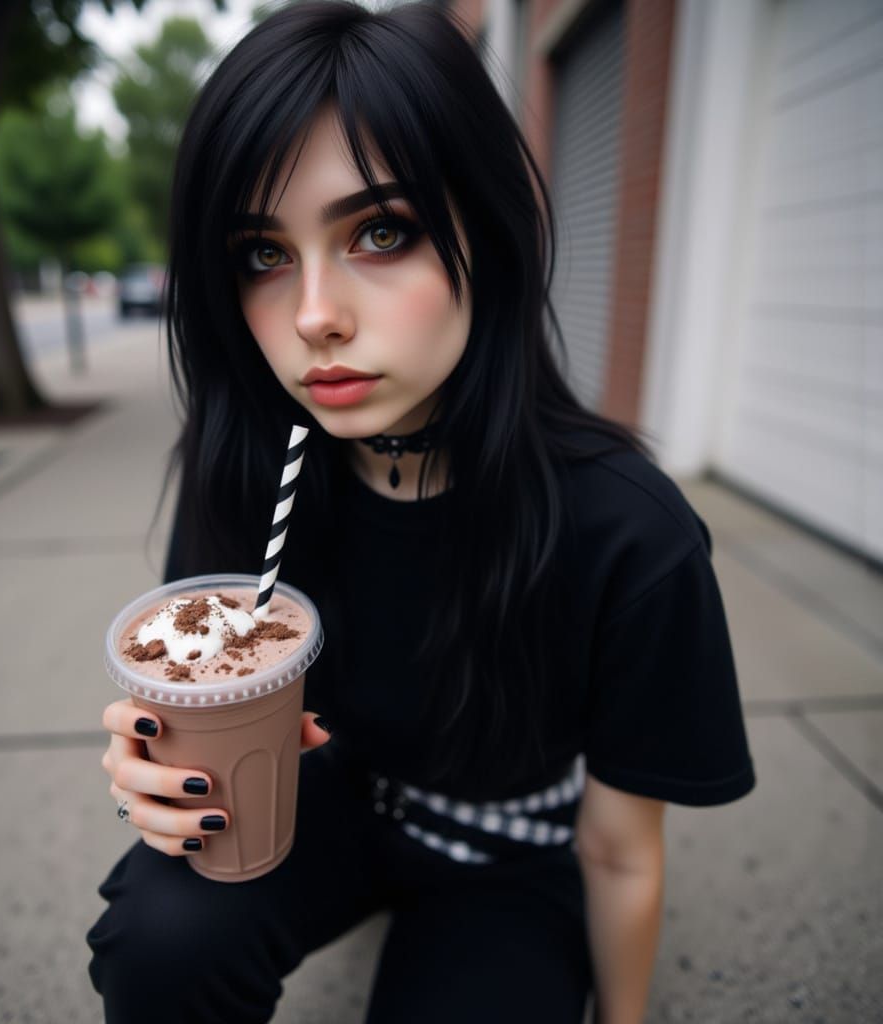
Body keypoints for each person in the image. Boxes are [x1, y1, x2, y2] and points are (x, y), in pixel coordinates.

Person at [86, 2, 755, 1021]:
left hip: (505, 856)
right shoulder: (252, 468)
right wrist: (161, 767)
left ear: (486, 229)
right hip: (315, 809)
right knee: (161, 937)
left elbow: (621, 851)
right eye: (264, 253)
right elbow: (212, 708)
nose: (315, 316)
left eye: (380, 231)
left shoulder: (628, 534)